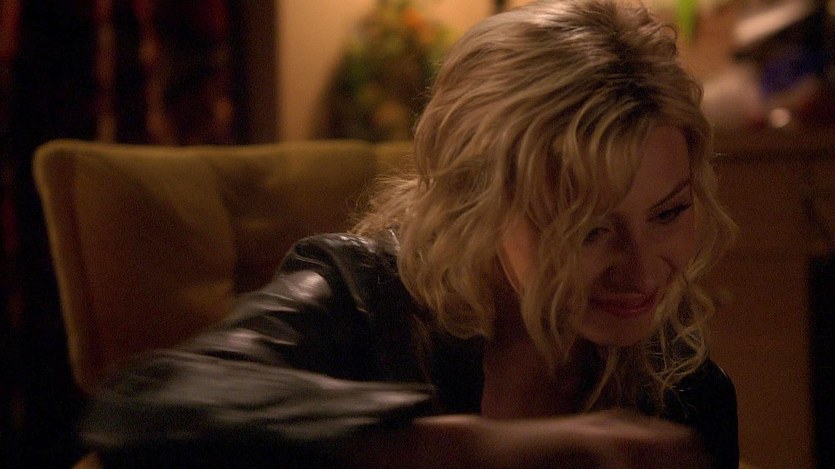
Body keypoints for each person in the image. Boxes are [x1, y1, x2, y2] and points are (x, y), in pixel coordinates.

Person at [80, 0, 739, 467]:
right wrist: (451, 447)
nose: (640, 271)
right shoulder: (361, 297)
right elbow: (144, 406)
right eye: (589, 229)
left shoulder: (678, 383)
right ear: (477, 198)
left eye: (667, 213)